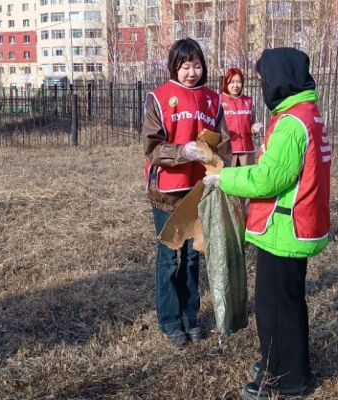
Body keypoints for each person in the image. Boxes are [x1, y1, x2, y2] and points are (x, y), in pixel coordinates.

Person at [203, 48, 332, 398]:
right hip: (297, 224)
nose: (261, 86)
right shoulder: (307, 114)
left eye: (263, 79)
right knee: (288, 302)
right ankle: (284, 364)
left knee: (274, 307)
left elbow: (267, 180)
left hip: (283, 227)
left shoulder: (291, 123)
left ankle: (285, 380)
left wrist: (225, 178)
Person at [143, 38, 231, 346]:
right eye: (184, 66)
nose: (191, 72)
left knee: (193, 258)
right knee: (169, 258)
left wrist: (220, 169)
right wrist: (183, 151)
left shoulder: (213, 100)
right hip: (166, 193)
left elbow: (223, 143)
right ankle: (170, 320)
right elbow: (152, 148)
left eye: (196, 66)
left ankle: (190, 315)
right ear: (174, 67)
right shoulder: (159, 98)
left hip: (199, 191)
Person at [219, 68, 263, 166]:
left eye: (239, 82)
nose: (235, 85)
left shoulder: (248, 101)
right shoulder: (219, 101)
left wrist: (254, 129)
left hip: (246, 151)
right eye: (232, 82)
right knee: (228, 176)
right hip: (226, 152)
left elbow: (251, 123)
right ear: (226, 83)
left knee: (247, 175)